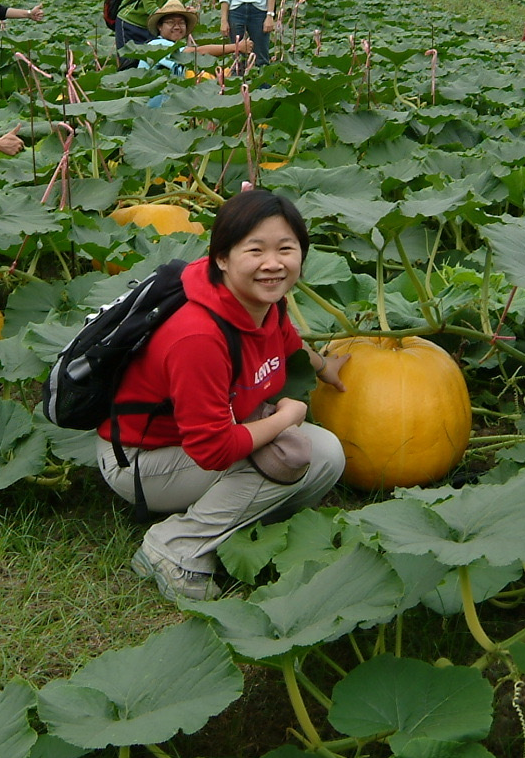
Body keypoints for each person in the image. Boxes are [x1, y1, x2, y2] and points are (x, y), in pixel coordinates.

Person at [99, 189, 349, 601]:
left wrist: (325, 368)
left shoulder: (263, 302)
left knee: (327, 454)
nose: (273, 263)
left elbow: (285, 339)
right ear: (222, 258)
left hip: (205, 435)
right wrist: (285, 417)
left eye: (286, 248)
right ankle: (172, 546)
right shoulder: (198, 335)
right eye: (255, 250)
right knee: (287, 455)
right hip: (142, 459)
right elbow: (212, 450)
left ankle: (236, 527)